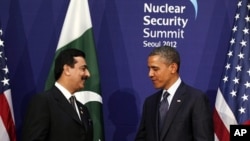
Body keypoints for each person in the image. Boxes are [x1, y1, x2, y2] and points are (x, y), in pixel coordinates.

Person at [135, 46, 214, 141]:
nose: (150, 74)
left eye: (155, 69)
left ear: (173, 68)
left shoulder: (195, 99)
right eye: (149, 69)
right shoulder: (150, 102)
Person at [22, 48, 93, 141]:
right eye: (83, 69)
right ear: (67, 69)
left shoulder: (83, 109)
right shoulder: (43, 102)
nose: (88, 74)